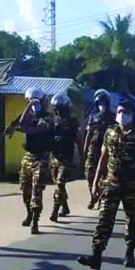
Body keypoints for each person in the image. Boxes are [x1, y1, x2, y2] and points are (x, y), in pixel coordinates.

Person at [78, 99, 135, 270]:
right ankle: (96, 255)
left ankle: (130, 253)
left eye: (125, 112)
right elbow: (104, 157)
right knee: (104, 218)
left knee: (132, 219)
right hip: (111, 183)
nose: (121, 115)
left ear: (132, 115)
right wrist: (97, 180)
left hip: (131, 185)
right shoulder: (110, 132)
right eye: (119, 111)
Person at [5, 87, 53, 235]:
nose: (34, 104)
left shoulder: (47, 117)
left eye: (36, 100)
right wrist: (27, 109)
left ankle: (36, 221)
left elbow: (35, 130)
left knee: (36, 189)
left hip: (41, 157)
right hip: (28, 157)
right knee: (25, 189)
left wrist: (20, 128)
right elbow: (18, 123)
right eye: (30, 101)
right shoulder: (28, 115)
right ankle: (29, 213)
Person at [49, 93, 81, 222]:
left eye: (60, 108)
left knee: (60, 183)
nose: (58, 111)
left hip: (66, 156)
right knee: (57, 183)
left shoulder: (73, 121)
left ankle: (55, 211)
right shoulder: (52, 120)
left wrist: (82, 157)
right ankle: (65, 206)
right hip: (54, 156)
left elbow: (78, 139)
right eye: (56, 108)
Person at [83, 89, 115, 209]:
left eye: (104, 103)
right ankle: (93, 196)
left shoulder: (113, 118)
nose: (102, 106)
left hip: (107, 150)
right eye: (100, 104)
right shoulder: (93, 118)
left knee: (105, 175)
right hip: (94, 149)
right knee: (89, 174)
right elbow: (88, 134)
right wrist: (85, 150)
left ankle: (102, 198)